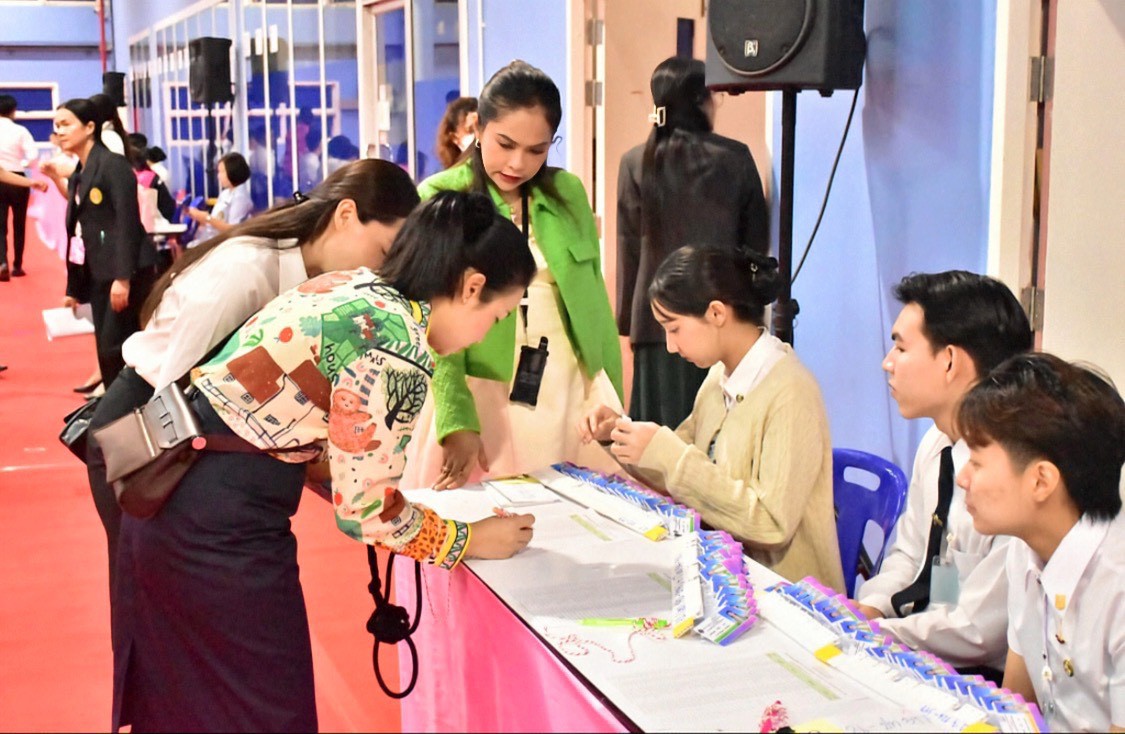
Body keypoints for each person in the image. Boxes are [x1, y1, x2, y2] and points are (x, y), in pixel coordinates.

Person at [112, 191, 538, 731]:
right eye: (497, 317)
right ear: (472, 287)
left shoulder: (353, 286)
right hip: (218, 530)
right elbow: (368, 514)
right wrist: (469, 539)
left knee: (194, 705)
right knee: (265, 713)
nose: (488, 333)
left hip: (175, 495)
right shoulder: (398, 346)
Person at [85, 158, 419, 611]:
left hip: (193, 442)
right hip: (150, 433)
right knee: (147, 599)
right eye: (383, 252)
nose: (379, 273)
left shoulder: (309, 278)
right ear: (346, 215)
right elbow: (175, 391)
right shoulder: (248, 268)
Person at [401, 60, 624, 491]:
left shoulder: (568, 194)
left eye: (537, 150)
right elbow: (431, 320)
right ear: (478, 128)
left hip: (564, 383)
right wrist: (456, 416)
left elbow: (594, 300)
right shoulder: (442, 195)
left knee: (569, 505)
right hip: (481, 385)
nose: (518, 163)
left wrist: (607, 389)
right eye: (505, 144)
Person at [579, 245, 845, 590]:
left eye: (674, 328)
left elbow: (771, 524)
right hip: (728, 577)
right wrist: (619, 434)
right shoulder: (720, 376)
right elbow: (679, 470)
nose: (670, 346)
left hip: (788, 593)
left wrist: (667, 453)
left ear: (717, 313)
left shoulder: (791, 392)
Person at [854, 271, 1033, 677]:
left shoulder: (1013, 469)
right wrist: (873, 607)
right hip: (914, 645)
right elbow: (909, 554)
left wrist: (879, 634)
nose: (887, 362)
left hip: (974, 672)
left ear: (950, 361)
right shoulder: (937, 443)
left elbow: (981, 630)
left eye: (901, 347)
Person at [955, 353, 1125, 732]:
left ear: (1041, 481)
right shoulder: (1026, 550)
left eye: (977, 462)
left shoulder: (1117, 585)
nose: (962, 478)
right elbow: (1014, 708)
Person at [617, 57, 769, 427]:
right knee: (720, 433)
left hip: (657, 324)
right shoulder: (734, 158)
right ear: (702, 101)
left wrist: (628, 323)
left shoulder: (636, 162)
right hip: (722, 321)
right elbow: (755, 243)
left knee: (660, 438)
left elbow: (629, 249)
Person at [41, 98, 155, 390]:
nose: (60, 131)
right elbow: (81, 225)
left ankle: (127, 408)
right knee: (106, 347)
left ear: (90, 127)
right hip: (98, 269)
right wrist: (74, 288)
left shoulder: (112, 165)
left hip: (123, 270)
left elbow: (127, 222)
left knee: (117, 346)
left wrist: (123, 278)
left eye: (66, 124)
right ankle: (115, 406)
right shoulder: (82, 169)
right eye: (57, 125)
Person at [0, 94, 41, 280]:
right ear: (13, 111)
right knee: (19, 223)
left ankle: (2, 262)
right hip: (18, 178)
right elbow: (33, 156)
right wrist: (22, 165)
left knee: (0, 225)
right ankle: (18, 265)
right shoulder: (21, 131)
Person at [186, 151, 253, 243]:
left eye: (221, 172)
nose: (218, 176)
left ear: (232, 171)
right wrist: (199, 217)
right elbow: (217, 220)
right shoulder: (225, 193)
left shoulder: (240, 198)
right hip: (211, 238)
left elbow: (232, 229)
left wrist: (207, 218)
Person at [436, 96, 478, 169]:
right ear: (454, 138)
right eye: (471, 131)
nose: (477, 136)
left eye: (480, 128)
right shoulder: (451, 174)